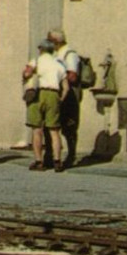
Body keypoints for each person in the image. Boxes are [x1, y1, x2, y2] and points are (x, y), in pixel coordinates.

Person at [22, 39, 67, 171]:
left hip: (38, 94)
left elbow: (26, 74)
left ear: (41, 49)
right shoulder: (59, 65)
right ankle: (58, 161)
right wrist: (60, 99)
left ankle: (38, 161)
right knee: (54, 131)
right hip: (53, 94)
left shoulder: (36, 61)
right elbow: (66, 87)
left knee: (37, 130)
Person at [49, 29, 82, 170]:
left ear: (56, 42)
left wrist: (59, 77)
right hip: (58, 92)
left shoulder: (70, 54)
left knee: (69, 125)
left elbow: (73, 75)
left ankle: (71, 155)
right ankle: (52, 156)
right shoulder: (56, 54)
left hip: (69, 94)